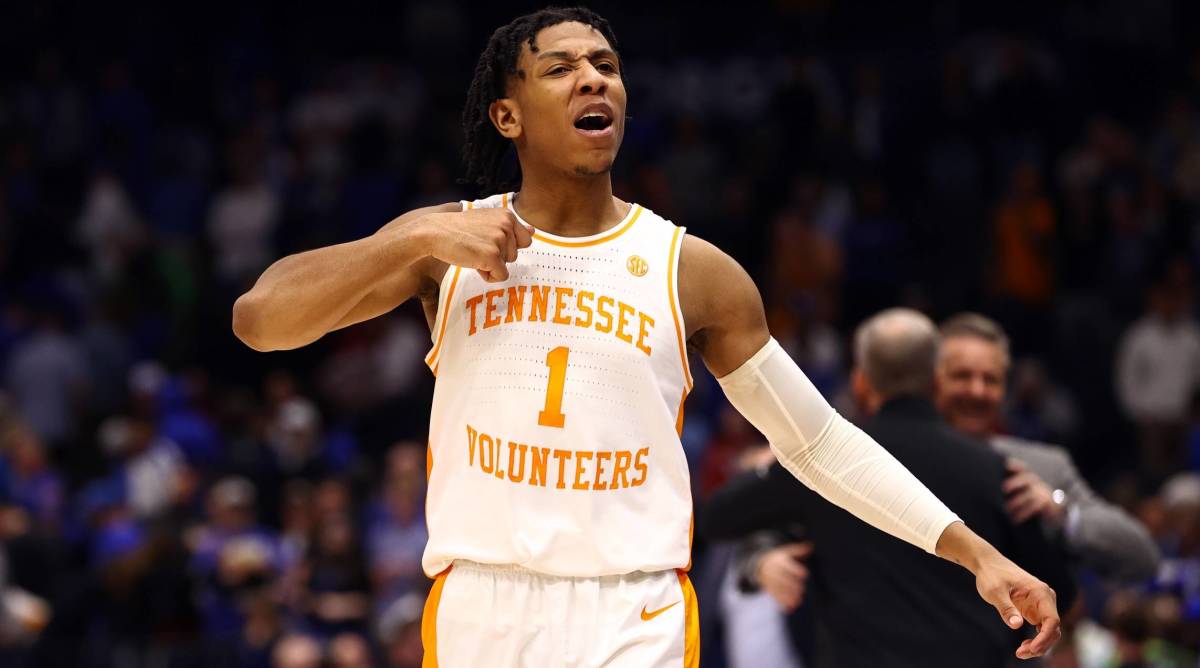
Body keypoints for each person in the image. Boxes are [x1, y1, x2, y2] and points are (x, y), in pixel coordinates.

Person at [232, 8, 1061, 666]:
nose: (593, 78)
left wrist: (977, 553)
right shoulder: (444, 244)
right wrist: (408, 239)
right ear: (507, 114)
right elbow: (260, 322)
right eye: (560, 68)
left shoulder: (692, 269)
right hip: (481, 603)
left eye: (606, 65)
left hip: (633, 609)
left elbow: (819, 445)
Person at [705, 308, 1075, 667]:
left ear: (860, 381)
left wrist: (761, 558)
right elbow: (1056, 593)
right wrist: (1055, 515)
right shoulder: (1002, 475)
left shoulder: (815, 462)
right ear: (936, 379)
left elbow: (714, 518)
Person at [936, 312, 1159, 582]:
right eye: (962, 376)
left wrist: (1060, 513)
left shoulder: (1040, 465)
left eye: (990, 379)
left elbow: (1144, 556)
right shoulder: (899, 458)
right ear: (933, 380)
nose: (978, 391)